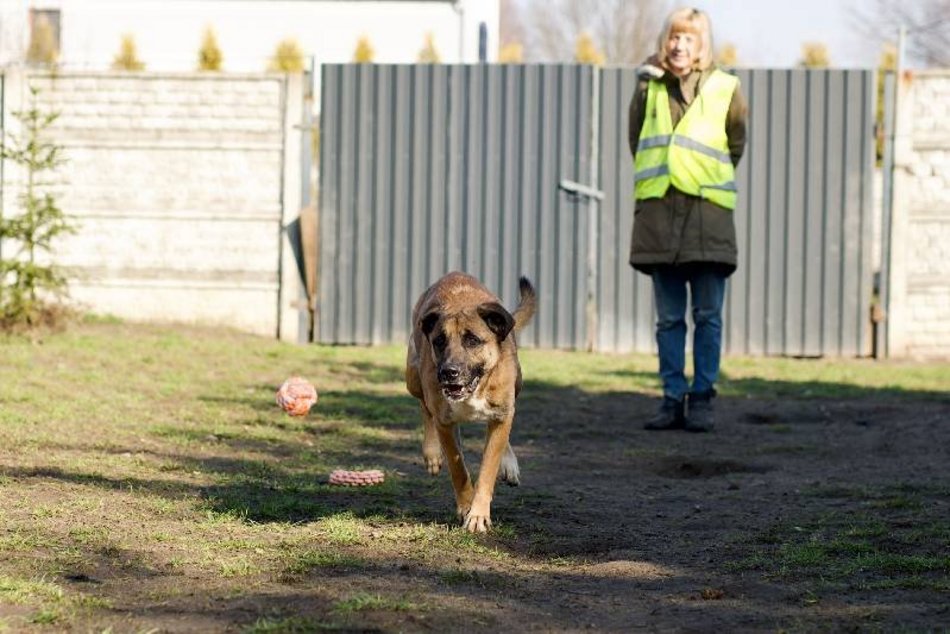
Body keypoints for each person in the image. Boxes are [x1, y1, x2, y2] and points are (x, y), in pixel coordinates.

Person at [627, 7, 747, 432]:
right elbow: (637, 140)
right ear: (666, 40)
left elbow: (734, 146)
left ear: (702, 44)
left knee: (708, 317)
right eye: (674, 37)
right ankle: (671, 398)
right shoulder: (648, 86)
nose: (679, 45)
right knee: (669, 319)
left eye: (688, 38)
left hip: (708, 221)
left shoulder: (726, 88)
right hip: (660, 219)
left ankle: (703, 399)